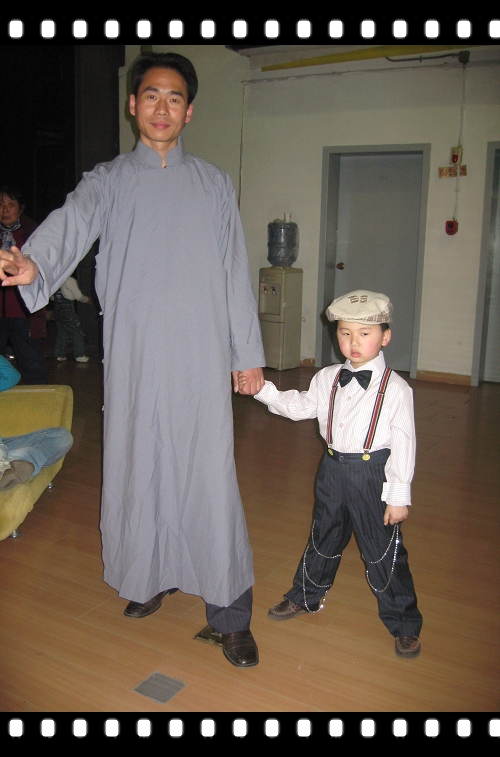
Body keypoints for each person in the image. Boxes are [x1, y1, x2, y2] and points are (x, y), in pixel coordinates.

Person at [0, 53, 265, 668]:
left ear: (189, 111)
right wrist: (34, 264)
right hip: (135, 354)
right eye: (151, 96)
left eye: (174, 98)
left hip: (200, 352)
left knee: (207, 474)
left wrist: (247, 354)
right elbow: (70, 223)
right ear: (132, 105)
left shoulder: (214, 184)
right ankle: (151, 575)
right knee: (139, 465)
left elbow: (234, 271)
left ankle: (229, 611)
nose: (161, 108)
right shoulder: (109, 180)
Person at [238, 290, 423, 659]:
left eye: (365, 334)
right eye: (345, 333)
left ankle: (404, 623)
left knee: (382, 550)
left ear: (385, 337)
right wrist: (264, 391)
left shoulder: (397, 389)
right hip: (333, 469)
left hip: (372, 474)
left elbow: (404, 443)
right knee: (323, 536)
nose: (353, 342)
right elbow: (301, 406)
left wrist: (398, 495)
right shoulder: (327, 377)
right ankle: (306, 595)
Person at [0, 355, 73, 490]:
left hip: (4, 444)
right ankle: (9, 467)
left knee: (62, 437)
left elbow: (11, 375)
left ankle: (8, 467)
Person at [0, 186, 48, 384]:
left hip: (24, 313)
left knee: (32, 366)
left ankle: (39, 404)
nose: (5, 210)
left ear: (21, 208)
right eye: (1, 204)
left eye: (11, 204)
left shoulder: (33, 233)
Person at [52, 275, 93, 363]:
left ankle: (59, 355)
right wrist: (87, 300)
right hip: (67, 308)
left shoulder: (56, 280)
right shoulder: (69, 280)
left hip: (57, 308)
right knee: (76, 332)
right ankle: (80, 355)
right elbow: (78, 296)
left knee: (61, 332)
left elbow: (51, 296)